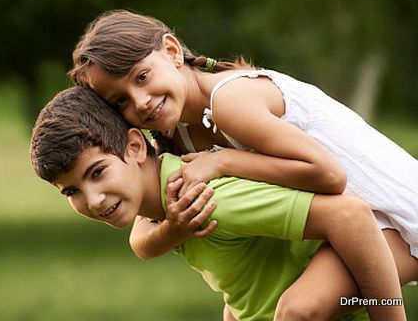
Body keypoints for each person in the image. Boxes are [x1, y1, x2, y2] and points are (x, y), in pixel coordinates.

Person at [68, 9, 418, 320]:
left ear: (172, 51)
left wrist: (224, 162)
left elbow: (329, 176)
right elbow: (142, 240)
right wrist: (173, 229)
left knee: (298, 309)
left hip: (400, 223)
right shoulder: (179, 134)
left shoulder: (230, 102)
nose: (141, 102)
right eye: (121, 101)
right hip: (356, 227)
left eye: (142, 77)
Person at [30, 86, 409, 321]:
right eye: (71, 191)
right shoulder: (168, 213)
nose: (93, 200)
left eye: (97, 173)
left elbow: (350, 214)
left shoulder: (205, 197)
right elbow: (244, 283)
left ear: (134, 146)